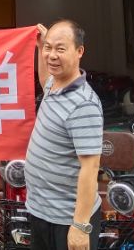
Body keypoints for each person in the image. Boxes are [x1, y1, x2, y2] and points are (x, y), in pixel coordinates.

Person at [25, 19, 103, 250]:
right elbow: (44, 79)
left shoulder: (84, 104)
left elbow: (90, 167)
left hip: (66, 219)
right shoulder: (54, 85)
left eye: (60, 49)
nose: (52, 55)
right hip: (42, 211)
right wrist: (41, 46)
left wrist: (80, 225)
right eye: (48, 48)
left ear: (79, 51)